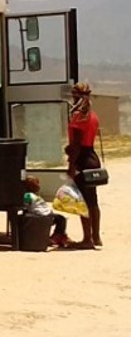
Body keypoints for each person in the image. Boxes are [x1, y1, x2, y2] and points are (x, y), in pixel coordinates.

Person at [66, 82, 103, 249]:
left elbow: (77, 144)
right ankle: (96, 236)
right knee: (93, 200)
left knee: (83, 201)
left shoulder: (79, 116)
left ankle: (87, 239)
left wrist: (72, 166)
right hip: (93, 157)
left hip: (82, 159)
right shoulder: (93, 116)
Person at [23, 175, 71, 247]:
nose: (39, 186)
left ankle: (59, 236)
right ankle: (58, 237)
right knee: (61, 219)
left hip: (46, 215)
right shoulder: (28, 195)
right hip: (42, 216)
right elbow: (25, 206)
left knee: (61, 218)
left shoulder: (33, 195)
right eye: (37, 184)